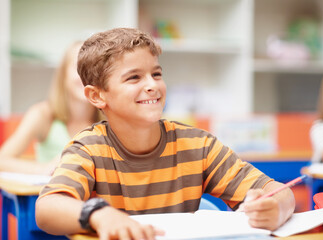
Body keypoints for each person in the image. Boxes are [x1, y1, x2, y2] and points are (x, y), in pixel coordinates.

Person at [35, 28, 295, 240]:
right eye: (134, 78)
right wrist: (99, 215)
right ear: (97, 95)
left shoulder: (197, 145)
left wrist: (277, 207)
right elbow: (47, 209)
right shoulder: (88, 148)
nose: (152, 85)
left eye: (156, 74)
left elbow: (279, 192)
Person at [0, 41, 103, 175]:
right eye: (78, 68)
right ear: (63, 75)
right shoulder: (42, 114)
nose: (86, 77)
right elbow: (2, 160)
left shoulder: (109, 119)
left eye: (94, 69)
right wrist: (44, 168)